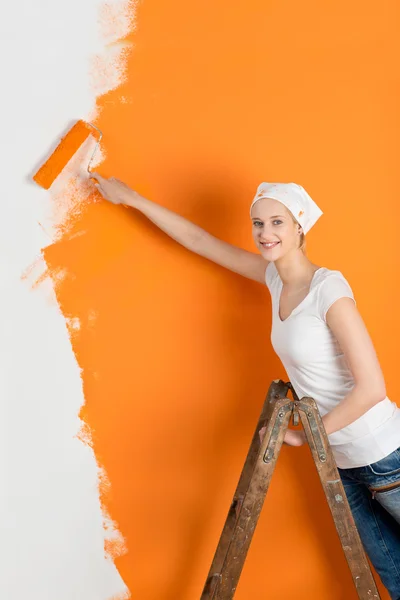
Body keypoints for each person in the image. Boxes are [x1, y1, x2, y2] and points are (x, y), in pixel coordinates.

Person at [91, 173, 400, 599]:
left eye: (277, 222)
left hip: (384, 454)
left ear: (300, 227)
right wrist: (132, 199)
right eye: (258, 223)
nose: (265, 233)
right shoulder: (275, 279)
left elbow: (371, 388)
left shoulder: (328, 289)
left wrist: (303, 436)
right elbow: (201, 242)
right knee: (395, 574)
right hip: (342, 460)